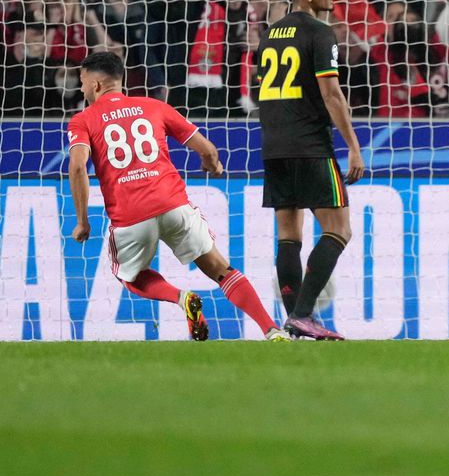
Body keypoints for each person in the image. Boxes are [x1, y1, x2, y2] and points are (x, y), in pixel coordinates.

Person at [66, 51, 286, 342]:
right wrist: (213, 164)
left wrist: (82, 221)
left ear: (95, 84)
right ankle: (272, 330)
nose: (81, 89)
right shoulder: (154, 106)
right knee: (221, 269)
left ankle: (182, 298)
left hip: (130, 217)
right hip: (173, 205)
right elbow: (207, 149)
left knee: (129, 277)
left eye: (82, 82)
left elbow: (78, 167)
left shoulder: (83, 120)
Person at [256, 0, 365, 340]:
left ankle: (292, 322)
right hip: (309, 144)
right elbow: (331, 94)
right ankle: (302, 314)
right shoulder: (320, 32)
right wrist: (353, 147)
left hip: (273, 145)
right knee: (339, 228)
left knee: (289, 234)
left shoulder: (270, 35)